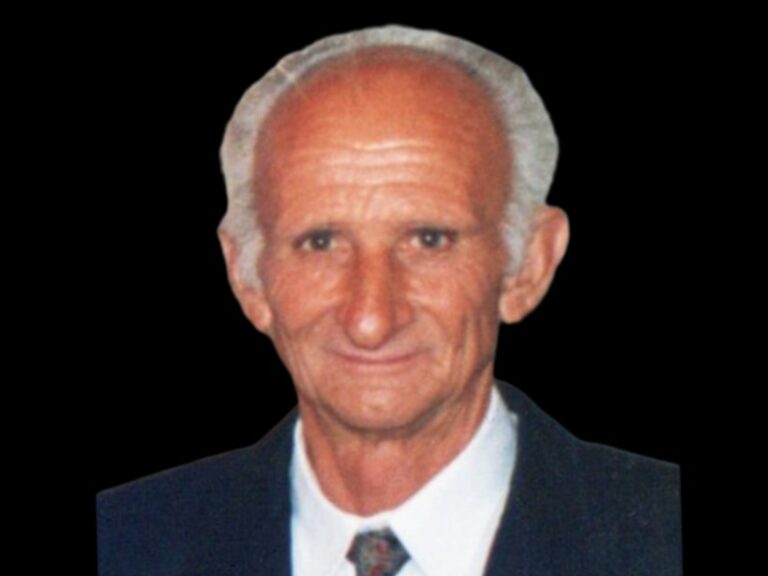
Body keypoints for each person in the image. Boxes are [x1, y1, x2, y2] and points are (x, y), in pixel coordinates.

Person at [97, 24, 682, 576]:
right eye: (321, 243)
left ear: (528, 265)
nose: (371, 319)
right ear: (247, 277)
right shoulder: (123, 543)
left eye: (428, 240)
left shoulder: (660, 535)